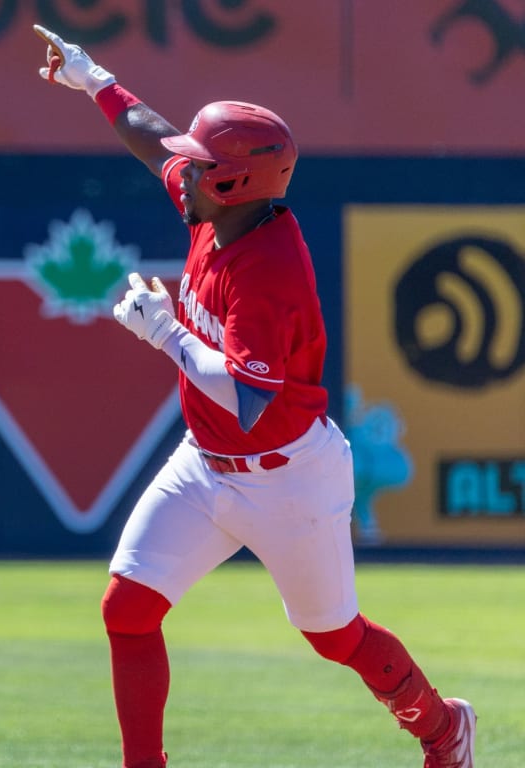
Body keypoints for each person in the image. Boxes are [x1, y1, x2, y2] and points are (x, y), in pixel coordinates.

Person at [32, 25, 477, 768]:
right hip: (205, 464)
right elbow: (153, 139)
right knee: (128, 610)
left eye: (201, 166)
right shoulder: (221, 203)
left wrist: (167, 334)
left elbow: (248, 399)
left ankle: (441, 729)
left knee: (335, 637)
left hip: (288, 476)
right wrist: (93, 76)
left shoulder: (273, 271)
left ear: (236, 181)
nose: (185, 170)